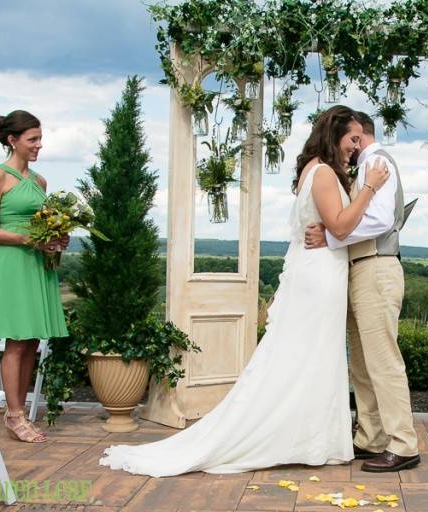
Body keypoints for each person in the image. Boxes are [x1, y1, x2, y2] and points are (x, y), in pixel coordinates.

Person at [99, 105, 390, 477]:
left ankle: (312, 435)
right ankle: (306, 437)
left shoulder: (313, 170)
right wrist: (369, 188)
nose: (356, 146)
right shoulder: (322, 175)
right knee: (313, 353)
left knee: (313, 354)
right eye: (352, 139)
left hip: (319, 271)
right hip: (320, 278)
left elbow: (331, 228)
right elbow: (342, 227)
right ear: (335, 136)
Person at [305, 111, 420, 472]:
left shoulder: (378, 161)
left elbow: (381, 219)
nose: (352, 147)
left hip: (376, 268)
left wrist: (332, 234)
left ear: (362, 134)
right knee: (362, 363)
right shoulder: (367, 164)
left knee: (383, 360)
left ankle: (403, 444)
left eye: (355, 139)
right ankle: (370, 437)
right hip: (359, 270)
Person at [0, 110, 69, 443]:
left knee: (31, 340)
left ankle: (19, 409)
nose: (39, 145)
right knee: (16, 343)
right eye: (32, 139)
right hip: (14, 263)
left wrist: (57, 240)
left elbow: (44, 226)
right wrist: (28, 240)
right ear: (12, 140)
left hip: (38, 265)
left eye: (40, 139)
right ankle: (14, 415)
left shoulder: (40, 182)